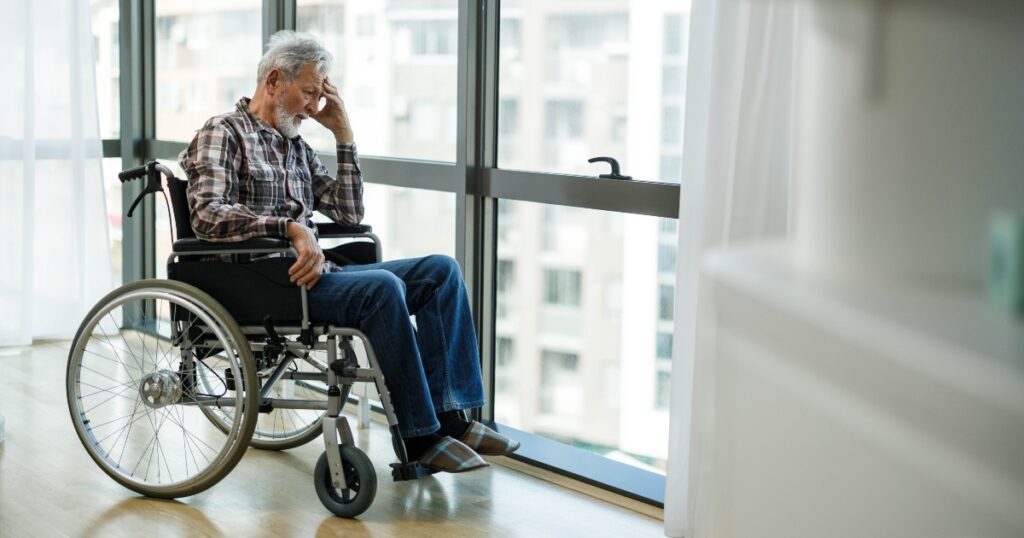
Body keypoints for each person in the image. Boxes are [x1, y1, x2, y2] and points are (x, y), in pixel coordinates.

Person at [179, 31, 518, 473]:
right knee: (382, 288)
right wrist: (290, 227)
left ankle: (451, 418)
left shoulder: (295, 146)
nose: (313, 107)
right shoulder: (223, 131)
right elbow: (207, 214)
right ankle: (419, 438)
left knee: (441, 272)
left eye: (321, 96)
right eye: (309, 93)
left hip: (315, 275)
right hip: (265, 283)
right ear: (275, 81)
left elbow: (350, 212)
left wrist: (343, 134)